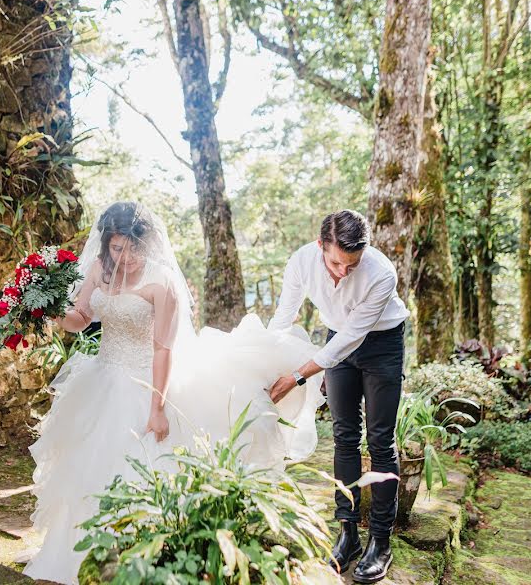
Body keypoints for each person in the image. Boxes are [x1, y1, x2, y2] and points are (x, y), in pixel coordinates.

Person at [23, 202, 325, 584]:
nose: (126, 257)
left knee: (146, 464)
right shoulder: (100, 269)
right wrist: (49, 310)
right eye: (118, 248)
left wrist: (157, 408)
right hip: (103, 378)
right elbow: (81, 318)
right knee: (88, 466)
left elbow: (163, 348)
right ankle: (81, 557)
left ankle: (144, 560)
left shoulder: (160, 280)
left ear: (146, 243)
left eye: (133, 248)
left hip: (148, 379)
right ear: (107, 245)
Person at [267, 209, 409, 584]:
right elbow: (285, 316)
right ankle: (348, 533)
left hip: (381, 344)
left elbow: (352, 338)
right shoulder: (301, 261)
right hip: (337, 339)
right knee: (344, 436)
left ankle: (380, 541)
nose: (343, 272)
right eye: (335, 262)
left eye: (352, 264)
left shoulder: (381, 273)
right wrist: (264, 357)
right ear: (320, 246)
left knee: (380, 440)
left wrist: (298, 375)